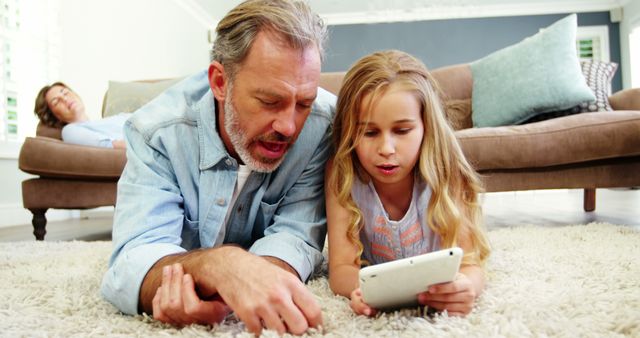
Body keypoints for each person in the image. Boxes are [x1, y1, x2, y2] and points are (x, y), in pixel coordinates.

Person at [100, 0, 334, 335]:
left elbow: (297, 235)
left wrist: (253, 277)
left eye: (304, 104)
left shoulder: (324, 126)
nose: (289, 126)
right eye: (270, 101)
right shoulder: (156, 132)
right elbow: (132, 261)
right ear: (220, 82)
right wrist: (219, 265)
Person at [325, 50, 491, 317]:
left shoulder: (446, 169)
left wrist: (465, 286)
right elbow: (341, 270)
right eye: (369, 132)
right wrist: (366, 290)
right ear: (349, 131)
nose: (386, 148)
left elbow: (471, 264)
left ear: (427, 126)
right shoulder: (342, 173)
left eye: (402, 131)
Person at [34, 82, 128, 148]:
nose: (65, 99)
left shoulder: (118, 118)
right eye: (56, 102)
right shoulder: (70, 131)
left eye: (65, 92)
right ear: (55, 117)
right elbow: (114, 146)